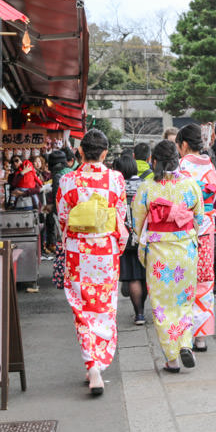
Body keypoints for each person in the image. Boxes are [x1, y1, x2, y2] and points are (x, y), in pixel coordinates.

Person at [55, 129, 128, 395]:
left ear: (81, 152)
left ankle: (91, 364)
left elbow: (63, 216)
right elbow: (120, 216)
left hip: (77, 251)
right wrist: (119, 244)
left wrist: (68, 241)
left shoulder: (68, 181)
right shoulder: (116, 179)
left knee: (82, 309)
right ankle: (99, 361)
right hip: (105, 251)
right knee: (104, 306)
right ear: (106, 153)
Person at [132, 140, 205, 373]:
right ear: (176, 159)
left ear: (155, 160)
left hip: (159, 252)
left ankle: (172, 359)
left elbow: (137, 222)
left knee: (162, 306)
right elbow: (199, 218)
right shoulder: (190, 184)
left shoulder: (147, 187)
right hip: (185, 249)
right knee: (184, 301)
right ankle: (185, 344)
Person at [176, 124, 216, 352]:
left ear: (183, 144)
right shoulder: (210, 166)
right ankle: (201, 336)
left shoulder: (182, 167)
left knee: (184, 282)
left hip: (185, 232)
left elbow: (178, 199)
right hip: (207, 229)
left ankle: (184, 335)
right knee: (204, 281)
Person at [114, 153, 147, 326]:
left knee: (133, 277)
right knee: (145, 275)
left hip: (125, 239)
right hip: (145, 236)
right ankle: (144, 306)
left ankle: (139, 314)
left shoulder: (117, 187)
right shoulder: (145, 185)